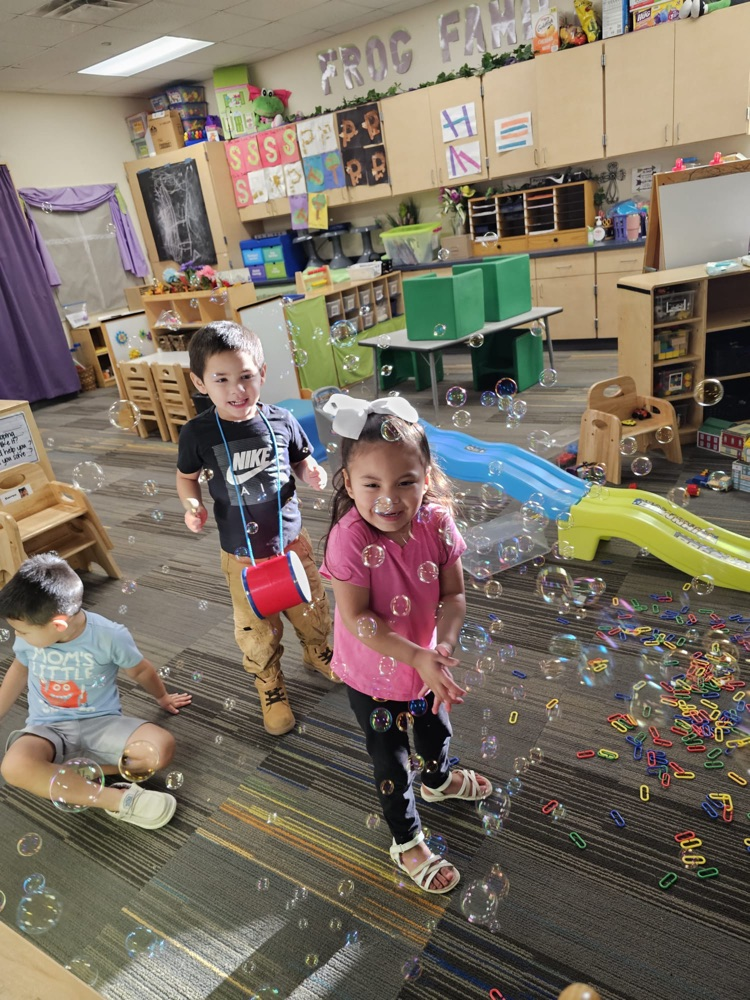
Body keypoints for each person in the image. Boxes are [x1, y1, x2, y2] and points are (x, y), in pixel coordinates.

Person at [320, 394, 492, 894]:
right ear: (348, 484)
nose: (388, 499)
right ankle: (406, 838)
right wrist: (418, 654)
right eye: (371, 484)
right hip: (373, 674)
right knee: (390, 758)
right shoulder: (348, 538)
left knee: (435, 728)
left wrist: (442, 646)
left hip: (425, 664)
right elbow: (356, 617)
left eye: (405, 483)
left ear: (427, 475)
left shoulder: (437, 522)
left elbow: (454, 594)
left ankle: (438, 782)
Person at [176, 321, 336, 737]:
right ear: (199, 382)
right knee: (256, 628)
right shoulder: (197, 432)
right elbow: (186, 476)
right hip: (240, 555)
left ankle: (318, 652)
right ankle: (270, 684)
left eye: (246, 376)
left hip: (292, 543)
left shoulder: (281, 420)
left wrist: (311, 470)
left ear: (262, 373)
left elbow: (301, 460)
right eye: (222, 379)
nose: (237, 389)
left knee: (311, 607)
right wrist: (191, 503)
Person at [0, 554, 191, 829]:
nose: (18, 637)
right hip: (47, 729)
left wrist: (162, 696)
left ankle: (70, 775)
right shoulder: (31, 640)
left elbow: (140, 670)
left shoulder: (108, 635)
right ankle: (117, 800)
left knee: (160, 749)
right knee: (13, 766)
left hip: (102, 724)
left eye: (23, 632)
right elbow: (19, 670)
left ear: (58, 625)